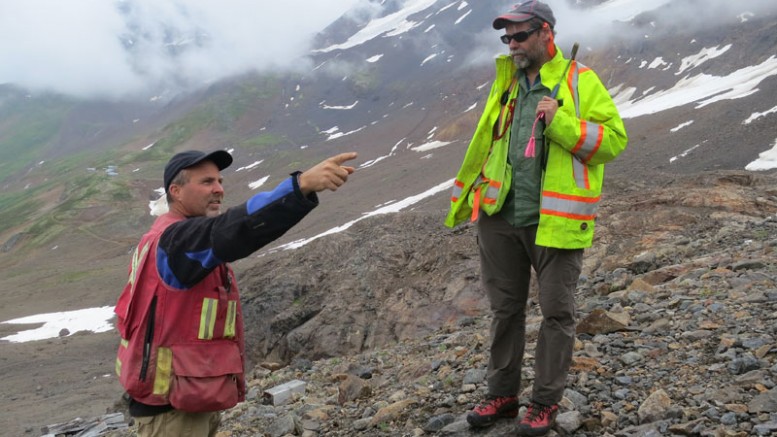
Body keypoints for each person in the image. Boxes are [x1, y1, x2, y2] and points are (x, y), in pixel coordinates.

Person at [445, 1, 628, 435]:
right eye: (506, 38)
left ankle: (544, 402)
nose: (511, 45)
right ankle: (502, 395)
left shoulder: (581, 82)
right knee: (504, 310)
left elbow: (614, 141)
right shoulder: (506, 83)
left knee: (557, 313)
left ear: (546, 32)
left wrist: (561, 121)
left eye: (520, 36)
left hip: (555, 219)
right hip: (500, 215)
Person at [114, 149, 357, 437]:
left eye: (219, 181)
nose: (219, 189)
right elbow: (233, 230)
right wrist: (299, 187)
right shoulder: (175, 241)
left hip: (187, 399)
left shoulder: (167, 236)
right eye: (206, 182)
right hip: (171, 411)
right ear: (176, 192)